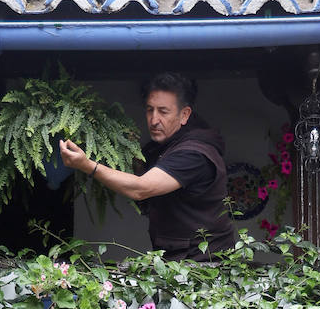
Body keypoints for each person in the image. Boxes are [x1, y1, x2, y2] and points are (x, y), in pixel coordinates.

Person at [59, 73, 236, 261]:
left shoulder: (194, 154)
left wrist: (87, 165)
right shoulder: (162, 147)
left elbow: (141, 189)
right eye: (150, 110)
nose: (153, 120)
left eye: (163, 111)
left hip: (207, 266)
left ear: (184, 114)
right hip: (177, 259)